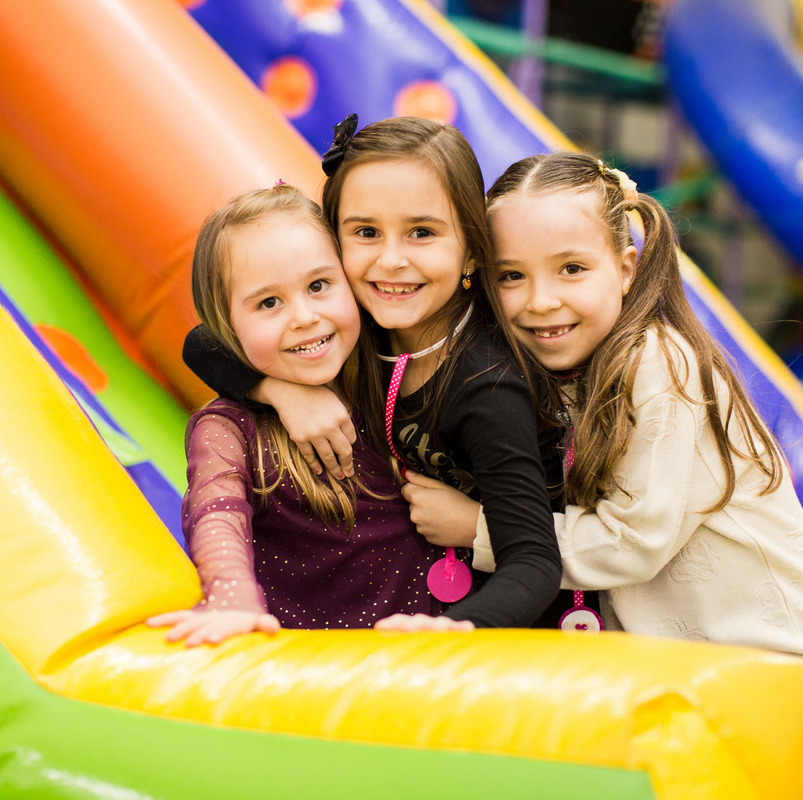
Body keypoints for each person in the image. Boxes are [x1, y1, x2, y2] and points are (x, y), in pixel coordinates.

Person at [403, 152, 803, 799]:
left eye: (571, 269)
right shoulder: (554, 372)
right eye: (512, 276)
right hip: (687, 674)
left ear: (626, 267)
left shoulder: (660, 366)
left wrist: (477, 528)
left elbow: (634, 542)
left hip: (774, 671)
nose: (540, 301)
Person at [182, 116, 563, 632]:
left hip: (505, 625)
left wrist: (462, 629)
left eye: (422, 233)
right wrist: (284, 393)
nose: (390, 260)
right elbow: (203, 342)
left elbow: (535, 558)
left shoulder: (485, 387)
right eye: (365, 233)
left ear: (473, 247)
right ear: (336, 246)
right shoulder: (364, 326)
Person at [146, 184, 441, 646]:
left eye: (319, 286)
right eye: (269, 302)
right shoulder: (228, 429)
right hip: (310, 672)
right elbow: (217, 509)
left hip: (438, 649)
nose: (304, 316)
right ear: (227, 326)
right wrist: (231, 593)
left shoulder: (388, 370)